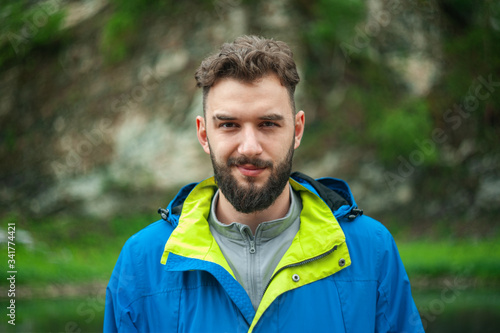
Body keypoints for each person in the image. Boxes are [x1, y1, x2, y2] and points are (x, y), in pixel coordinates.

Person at [104, 35, 424, 333]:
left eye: (268, 124)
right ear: (204, 134)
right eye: (229, 124)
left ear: (297, 130)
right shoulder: (141, 261)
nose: (249, 147)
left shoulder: (372, 250)